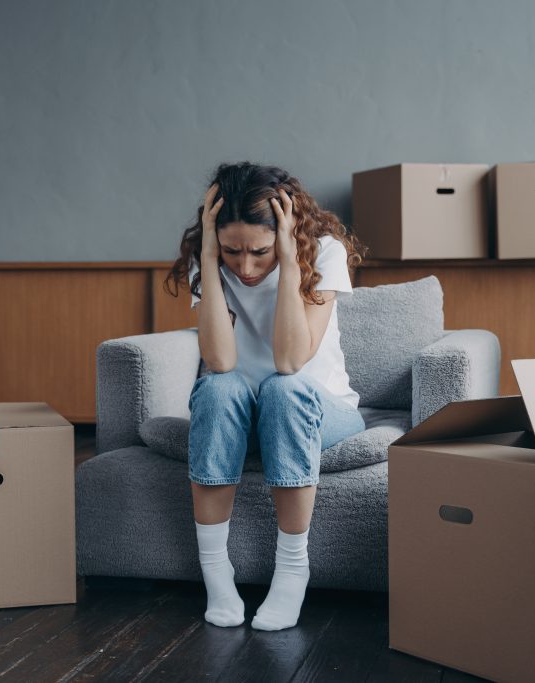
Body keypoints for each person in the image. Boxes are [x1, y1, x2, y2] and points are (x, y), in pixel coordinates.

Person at [165, 162, 366, 631]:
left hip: (316, 410)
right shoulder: (214, 259)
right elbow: (219, 360)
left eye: (260, 251)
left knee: (283, 388)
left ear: (286, 233)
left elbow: (290, 360)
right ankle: (216, 572)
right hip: (239, 415)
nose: (247, 267)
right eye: (232, 251)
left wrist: (293, 262)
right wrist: (210, 263)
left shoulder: (324, 252)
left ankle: (293, 569)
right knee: (216, 389)